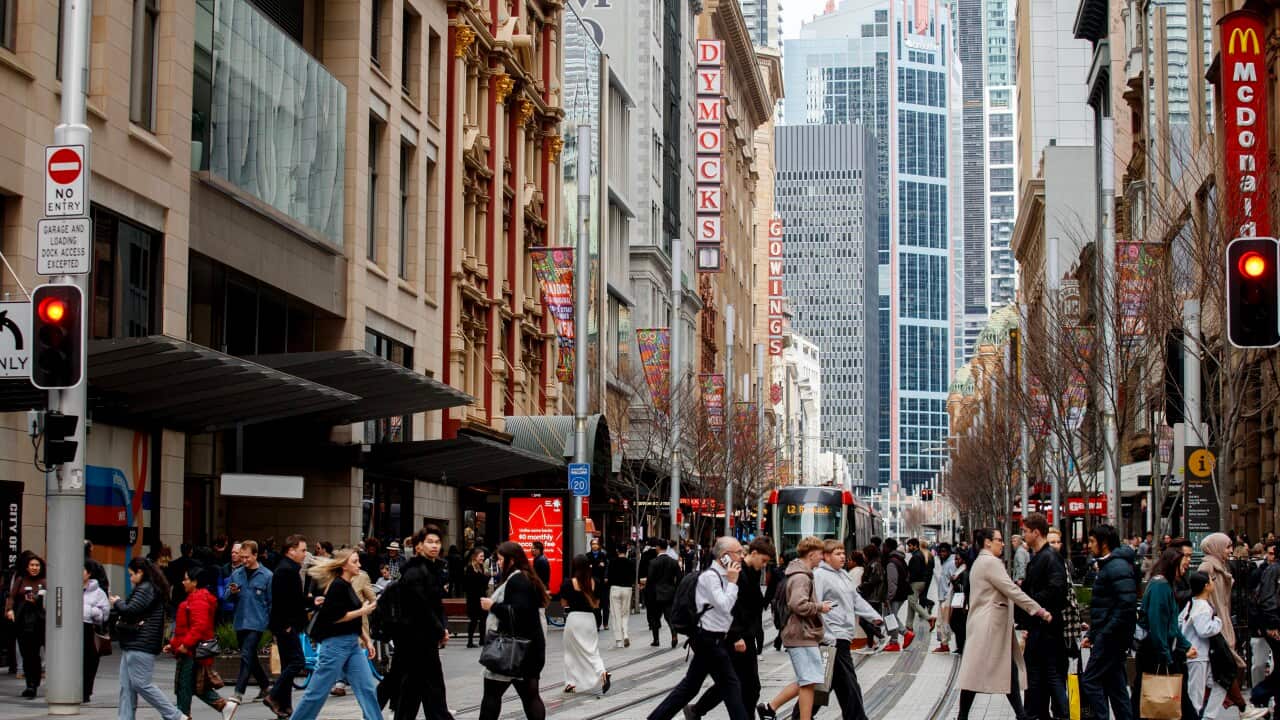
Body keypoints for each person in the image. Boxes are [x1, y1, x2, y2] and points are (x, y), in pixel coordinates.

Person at [646, 537, 749, 720]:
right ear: (725, 556)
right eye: (738, 552)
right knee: (731, 685)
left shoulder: (724, 576)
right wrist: (733, 583)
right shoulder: (710, 577)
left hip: (712, 640)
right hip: (709, 640)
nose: (742, 556)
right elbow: (724, 606)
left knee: (690, 687)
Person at [956, 528, 1051, 720]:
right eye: (999, 540)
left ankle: (1019, 715)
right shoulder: (991, 563)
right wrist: (1038, 610)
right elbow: (1011, 590)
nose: (1003, 543)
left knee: (1002, 670)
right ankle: (964, 716)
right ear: (988, 543)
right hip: (990, 625)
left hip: (986, 624)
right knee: (980, 673)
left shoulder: (979, 562)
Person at [686, 537, 775, 719]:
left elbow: (753, 604)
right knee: (744, 685)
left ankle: (697, 710)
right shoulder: (737, 573)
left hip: (745, 635)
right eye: (763, 561)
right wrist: (736, 636)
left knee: (737, 683)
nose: (764, 565)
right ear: (754, 553)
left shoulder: (752, 573)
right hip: (735, 637)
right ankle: (697, 710)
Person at [289, 550, 380, 720]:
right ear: (344, 565)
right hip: (335, 645)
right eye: (355, 561)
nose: (359, 565)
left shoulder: (346, 585)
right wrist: (362, 611)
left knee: (367, 688)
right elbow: (336, 617)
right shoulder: (338, 586)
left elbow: (351, 619)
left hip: (352, 644)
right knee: (317, 691)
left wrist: (366, 640)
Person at [757, 537, 832, 720]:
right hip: (801, 633)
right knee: (808, 680)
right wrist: (819, 607)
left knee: (808, 680)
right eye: (821, 554)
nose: (822, 558)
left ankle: (770, 707)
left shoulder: (799, 573)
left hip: (802, 633)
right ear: (812, 554)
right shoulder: (801, 577)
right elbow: (798, 604)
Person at [810, 539, 882, 720]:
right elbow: (815, 605)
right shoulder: (819, 575)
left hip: (843, 635)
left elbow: (855, 600)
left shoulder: (843, 575)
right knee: (849, 684)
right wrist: (825, 634)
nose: (843, 557)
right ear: (826, 556)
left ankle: (800, 715)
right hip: (833, 637)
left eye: (843, 553)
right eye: (837, 553)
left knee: (830, 683)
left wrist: (873, 616)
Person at [478, 541, 550, 720]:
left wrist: (492, 606)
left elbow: (518, 613)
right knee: (530, 696)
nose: (499, 563)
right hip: (528, 650)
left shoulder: (517, 579)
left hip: (511, 651)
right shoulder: (526, 577)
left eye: (501, 559)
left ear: (512, 560)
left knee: (492, 696)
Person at [112, 557, 186, 720]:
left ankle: (175, 716)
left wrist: (117, 602)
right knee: (127, 686)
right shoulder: (149, 587)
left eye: (132, 574)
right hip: (134, 643)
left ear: (141, 572)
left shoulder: (146, 588)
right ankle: (125, 718)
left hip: (140, 643)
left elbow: (130, 610)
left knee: (141, 684)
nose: (130, 578)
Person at [393, 525, 455, 720]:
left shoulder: (432, 570)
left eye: (437, 542)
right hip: (416, 640)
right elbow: (422, 608)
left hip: (422, 640)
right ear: (418, 546)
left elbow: (436, 606)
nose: (434, 546)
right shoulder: (415, 573)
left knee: (415, 691)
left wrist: (442, 628)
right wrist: (440, 630)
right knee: (430, 689)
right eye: (429, 542)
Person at [1131, 547, 1198, 720]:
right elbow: (1158, 624)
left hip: (1159, 650)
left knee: (1150, 697)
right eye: (1184, 560)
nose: (1187, 564)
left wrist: (1184, 645)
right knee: (1161, 697)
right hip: (1155, 652)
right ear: (1173, 564)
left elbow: (1169, 625)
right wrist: (1166, 655)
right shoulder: (1161, 587)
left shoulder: (1164, 585)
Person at [1079, 524, 1137, 720]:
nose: (1090, 545)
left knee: (1090, 680)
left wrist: (1102, 633)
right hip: (1112, 635)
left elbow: (1125, 605)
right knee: (1116, 685)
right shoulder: (1111, 565)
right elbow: (1107, 606)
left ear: (1104, 543)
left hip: (1112, 637)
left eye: (1093, 541)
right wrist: (1094, 634)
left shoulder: (1116, 566)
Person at [168, 565, 239, 720]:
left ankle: (183, 715)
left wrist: (184, 644)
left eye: (186, 579)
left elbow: (198, 626)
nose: (183, 582)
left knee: (184, 685)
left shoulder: (198, 600)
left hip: (191, 651)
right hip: (190, 649)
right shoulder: (198, 598)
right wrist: (174, 644)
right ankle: (223, 706)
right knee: (193, 685)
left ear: (195, 582)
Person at [1018, 513, 1068, 720]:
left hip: (1047, 628)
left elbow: (1057, 590)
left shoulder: (1050, 557)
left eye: (1026, 531)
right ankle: (1036, 713)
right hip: (1040, 627)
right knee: (1040, 675)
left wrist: (1029, 601)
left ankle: (1060, 714)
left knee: (1049, 675)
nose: (1023, 535)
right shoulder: (1040, 557)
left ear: (1036, 532)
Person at [265, 535, 309, 718]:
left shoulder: (288, 569)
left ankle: (284, 706)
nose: (305, 554)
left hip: (286, 624)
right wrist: (286, 625)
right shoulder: (286, 571)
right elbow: (283, 601)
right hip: (286, 625)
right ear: (291, 550)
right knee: (297, 661)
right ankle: (274, 695)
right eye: (303, 550)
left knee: (288, 665)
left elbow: (295, 600)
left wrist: (312, 601)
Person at [224, 540, 273, 703]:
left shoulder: (267, 576)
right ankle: (266, 686)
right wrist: (232, 592)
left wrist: (271, 623)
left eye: (247, 557)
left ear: (255, 555)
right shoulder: (237, 574)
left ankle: (239, 691)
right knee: (250, 656)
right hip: (240, 620)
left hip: (257, 622)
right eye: (241, 557)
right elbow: (225, 596)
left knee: (246, 654)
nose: (243, 560)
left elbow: (271, 601)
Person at [559, 554, 609, 694]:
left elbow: (563, 604)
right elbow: (597, 604)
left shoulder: (568, 583)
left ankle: (570, 683)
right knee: (592, 650)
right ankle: (602, 672)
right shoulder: (595, 582)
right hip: (589, 620)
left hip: (574, 619)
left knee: (570, 652)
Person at [1246, 541, 1280, 717]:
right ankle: (1259, 694)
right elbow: (1267, 599)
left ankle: (1261, 696)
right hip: (1275, 625)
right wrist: (1272, 624)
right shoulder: (1272, 571)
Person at [6, 554, 45, 698]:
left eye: (37, 565)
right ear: (27, 567)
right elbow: (11, 596)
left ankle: (33, 684)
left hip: (39, 622)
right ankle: (30, 683)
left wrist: (38, 599)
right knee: (26, 654)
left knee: (34, 655)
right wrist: (9, 610)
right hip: (23, 621)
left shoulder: (45, 581)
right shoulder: (21, 580)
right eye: (32, 565)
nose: (34, 568)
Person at [82, 561, 111, 703]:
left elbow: (104, 614)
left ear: (89, 573)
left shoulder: (98, 592)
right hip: (71, 631)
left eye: (82, 570)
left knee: (89, 662)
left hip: (89, 629)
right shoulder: (68, 587)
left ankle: (86, 692)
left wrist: (87, 610)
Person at [646, 542, 681, 648]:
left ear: (657, 548)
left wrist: (647, 593)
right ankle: (674, 635)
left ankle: (656, 640)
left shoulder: (653, 562)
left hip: (656, 594)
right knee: (669, 616)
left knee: (655, 617)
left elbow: (650, 579)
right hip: (669, 593)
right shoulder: (673, 562)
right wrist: (675, 590)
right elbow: (680, 578)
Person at [882, 538, 911, 650]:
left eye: (884, 546)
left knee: (890, 617)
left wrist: (888, 597)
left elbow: (892, 582)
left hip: (895, 595)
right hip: (901, 593)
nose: (883, 548)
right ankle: (894, 642)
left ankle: (905, 634)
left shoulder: (891, 562)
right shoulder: (899, 559)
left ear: (888, 547)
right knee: (890, 616)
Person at [857, 544, 886, 652]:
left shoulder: (874, 564)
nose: (863, 556)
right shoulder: (874, 563)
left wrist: (861, 587)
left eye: (864, 554)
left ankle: (881, 637)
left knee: (864, 621)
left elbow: (874, 580)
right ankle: (870, 644)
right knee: (868, 621)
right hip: (872, 596)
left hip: (873, 597)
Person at [607, 543, 635, 648]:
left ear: (617, 551)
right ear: (626, 551)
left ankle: (619, 640)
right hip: (627, 589)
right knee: (625, 613)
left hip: (615, 588)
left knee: (616, 615)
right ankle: (626, 634)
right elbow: (633, 577)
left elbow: (609, 577)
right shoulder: (630, 563)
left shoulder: (612, 562)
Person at [932, 543, 956, 653]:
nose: (942, 554)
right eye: (940, 552)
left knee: (943, 621)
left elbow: (953, 580)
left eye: (944, 551)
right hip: (944, 597)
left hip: (947, 598)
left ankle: (944, 644)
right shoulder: (946, 562)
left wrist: (948, 597)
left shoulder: (950, 563)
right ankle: (944, 644)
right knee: (942, 622)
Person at [463, 547, 489, 648]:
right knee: (473, 620)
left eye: (483, 556)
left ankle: (482, 639)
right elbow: (469, 584)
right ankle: (470, 641)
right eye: (481, 556)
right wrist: (484, 578)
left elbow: (483, 583)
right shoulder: (470, 568)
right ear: (475, 557)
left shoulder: (481, 567)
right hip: (473, 598)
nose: (482, 558)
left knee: (483, 619)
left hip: (481, 597)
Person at [949, 551, 969, 654]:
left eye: (958, 559)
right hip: (958, 602)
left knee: (957, 624)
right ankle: (960, 646)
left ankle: (961, 646)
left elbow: (963, 588)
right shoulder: (959, 571)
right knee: (956, 624)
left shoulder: (964, 572)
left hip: (961, 603)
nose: (956, 561)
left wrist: (954, 582)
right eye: (955, 559)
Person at [587, 539, 610, 629]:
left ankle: (605, 623)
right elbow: (588, 568)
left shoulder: (603, 555)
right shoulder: (588, 556)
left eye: (596, 544)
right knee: (595, 604)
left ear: (599, 545)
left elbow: (606, 567)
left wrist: (606, 577)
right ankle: (596, 622)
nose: (594, 546)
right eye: (593, 544)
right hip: (592, 583)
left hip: (603, 584)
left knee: (605, 604)